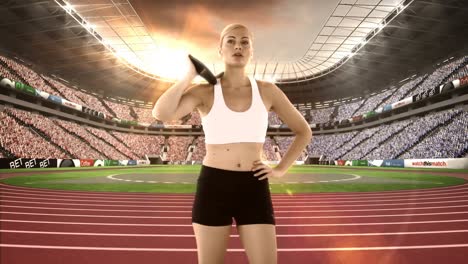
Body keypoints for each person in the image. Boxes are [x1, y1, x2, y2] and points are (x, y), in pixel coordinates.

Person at [152, 23, 312, 264]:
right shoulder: (204, 92)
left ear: (251, 51)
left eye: (245, 41)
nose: (238, 45)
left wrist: (279, 170)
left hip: (254, 185)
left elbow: (303, 131)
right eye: (231, 40)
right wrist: (188, 76)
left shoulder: (268, 91)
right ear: (221, 49)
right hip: (214, 185)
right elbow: (161, 113)